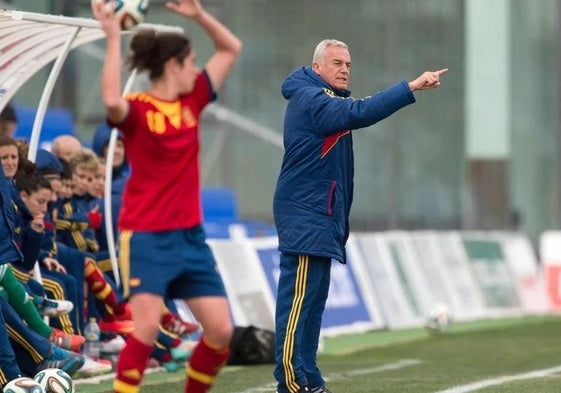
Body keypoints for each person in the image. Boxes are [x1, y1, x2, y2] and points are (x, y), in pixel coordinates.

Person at [272, 39, 447, 393]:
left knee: (313, 306)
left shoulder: (323, 99)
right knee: (297, 308)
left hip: (319, 216)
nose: (344, 69)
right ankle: (291, 383)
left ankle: (309, 377)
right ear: (317, 66)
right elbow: (361, 112)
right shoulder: (312, 101)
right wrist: (410, 87)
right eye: (337, 63)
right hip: (306, 215)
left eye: (348, 64)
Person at [92, 0, 242, 392]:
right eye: (191, 62)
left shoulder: (192, 101)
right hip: (146, 237)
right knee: (144, 331)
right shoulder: (139, 110)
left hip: (190, 238)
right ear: (173, 66)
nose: (196, 69)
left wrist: (198, 16)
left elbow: (231, 49)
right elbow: (110, 102)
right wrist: (112, 38)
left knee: (221, 331)